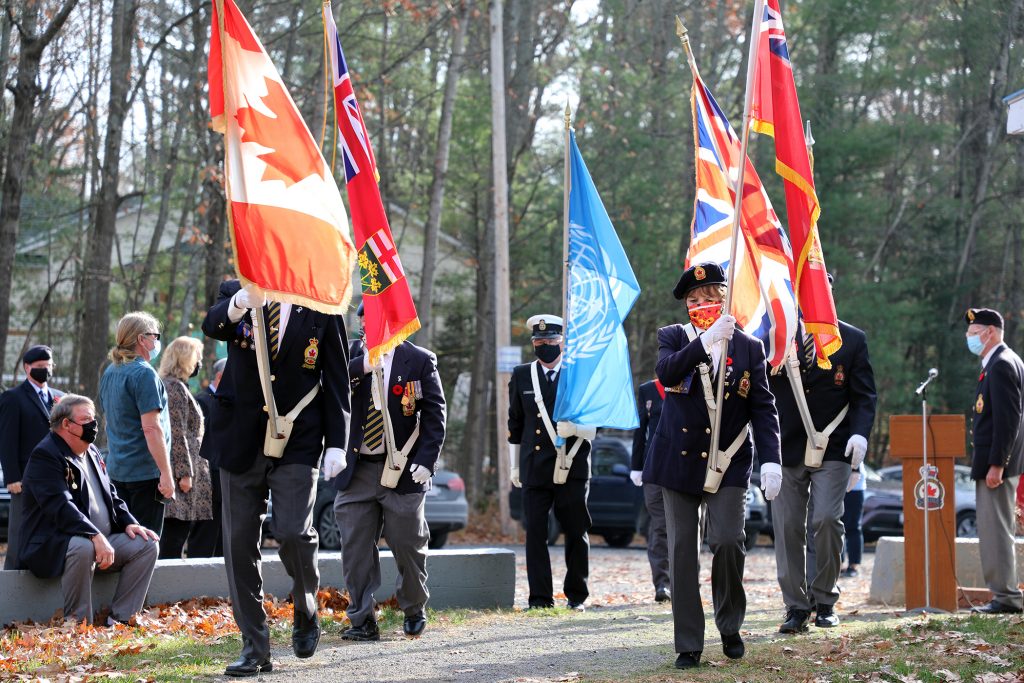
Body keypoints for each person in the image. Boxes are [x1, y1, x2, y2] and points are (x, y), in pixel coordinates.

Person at [202, 280, 351, 676]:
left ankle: (305, 606)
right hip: (239, 438)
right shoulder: (238, 290)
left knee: (292, 532)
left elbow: (337, 378)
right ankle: (255, 645)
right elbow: (213, 326)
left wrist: (338, 443)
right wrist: (238, 303)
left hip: (297, 439)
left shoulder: (321, 303)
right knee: (237, 545)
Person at [642, 262, 782, 670]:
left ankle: (730, 624)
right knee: (683, 549)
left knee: (727, 540)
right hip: (678, 463)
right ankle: (688, 642)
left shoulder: (749, 347)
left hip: (729, 461)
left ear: (725, 298)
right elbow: (666, 373)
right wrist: (704, 342)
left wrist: (771, 460)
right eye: (693, 300)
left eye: (710, 298)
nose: (702, 304)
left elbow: (763, 407)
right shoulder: (674, 337)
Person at [329, 302, 447, 641]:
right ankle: (362, 619)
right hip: (357, 470)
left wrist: (427, 459)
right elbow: (329, 386)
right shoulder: (347, 356)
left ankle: (413, 608)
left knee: (408, 544)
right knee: (355, 549)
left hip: (402, 468)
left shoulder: (419, 360)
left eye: (379, 316)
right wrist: (364, 366)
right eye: (365, 317)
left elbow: (435, 414)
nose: (370, 322)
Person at [769, 291, 877, 633]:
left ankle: (826, 601)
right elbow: (761, 394)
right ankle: (796, 606)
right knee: (787, 527)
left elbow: (864, 395)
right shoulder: (776, 340)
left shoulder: (852, 339)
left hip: (833, 448)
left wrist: (860, 434)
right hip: (787, 447)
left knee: (828, 519)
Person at [18, 394, 159, 624]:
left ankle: (121, 619)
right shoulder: (46, 455)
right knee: (83, 546)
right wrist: (94, 535)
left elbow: (111, 494)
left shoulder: (91, 450)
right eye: (86, 419)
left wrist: (129, 522)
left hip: (101, 540)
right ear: (66, 424)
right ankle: (78, 623)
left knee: (147, 544)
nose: (93, 425)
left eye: (94, 418)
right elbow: (60, 506)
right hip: (55, 544)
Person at [508, 314, 595, 611]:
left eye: (551, 341)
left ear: (562, 342)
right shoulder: (522, 375)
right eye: (539, 341)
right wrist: (514, 465)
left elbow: (597, 425)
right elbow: (515, 423)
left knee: (575, 531)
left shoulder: (578, 374)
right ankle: (540, 598)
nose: (545, 346)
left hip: (573, 464)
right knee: (535, 533)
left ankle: (576, 596)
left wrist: (577, 430)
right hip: (535, 465)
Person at [964, 307, 1024, 614]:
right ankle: (1003, 594)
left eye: (974, 333)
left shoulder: (1001, 364)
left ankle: (1006, 597)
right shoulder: (999, 362)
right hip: (994, 463)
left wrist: (998, 464)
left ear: (990, 333)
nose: (970, 338)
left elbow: (1008, 420)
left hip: (996, 466)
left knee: (996, 530)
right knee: (994, 529)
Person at [98, 312, 174, 536]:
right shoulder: (144, 374)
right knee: (145, 547)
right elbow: (151, 428)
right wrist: (166, 473)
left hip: (117, 470)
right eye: (155, 336)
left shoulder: (111, 371)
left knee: (123, 542)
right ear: (142, 339)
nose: (157, 341)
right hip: (145, 475)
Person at [0, 344, 64, 569]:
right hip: (25, 479)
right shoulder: (13, 398)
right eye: (40, 366)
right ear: (27, 368)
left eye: (48, 366)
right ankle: (12, 581)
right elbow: (7, 440)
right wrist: (12, 477)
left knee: (55, 527)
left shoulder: (61, 398)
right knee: (20, 530)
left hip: (58, 476)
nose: (45, 370)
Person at [157, 337, 212, 559]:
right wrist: (185, 474)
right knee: (173, 539)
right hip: (180, 477)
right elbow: (177, 433)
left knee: (177, 538)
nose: (199, 362)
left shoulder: (175, 386)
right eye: (196, 357)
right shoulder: (174, 388)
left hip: (184, 472)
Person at [630, 377, 670, 603]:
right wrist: (636, 466)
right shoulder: (647, 390)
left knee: (687, 525)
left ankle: (685, 581)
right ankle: (663, 583)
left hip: (684, 467)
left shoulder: (695, 383)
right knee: (661, 524)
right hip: (653, 467)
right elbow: (640, 430)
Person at [192, 357, 227, 557]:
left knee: (225, 532)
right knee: (206, 532)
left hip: (226, 473)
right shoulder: (201, 402)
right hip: (208, 476)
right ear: (221, 376)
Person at [841, 466, 866, 577]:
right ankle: (838, 563)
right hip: (835, 486)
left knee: (853, 526)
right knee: (836, 527)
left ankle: (853, 565)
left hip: (855, 486)